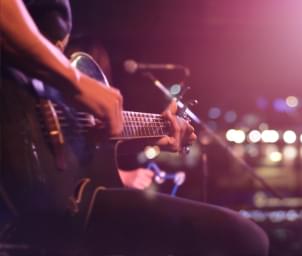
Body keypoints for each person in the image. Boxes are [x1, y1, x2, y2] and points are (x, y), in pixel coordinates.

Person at [0, 0, 269, 255]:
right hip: (21, 159)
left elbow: (79, 132)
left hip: (54, 190)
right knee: (242, 238)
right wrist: (76, 82)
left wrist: (151, 132)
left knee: (245, 237)